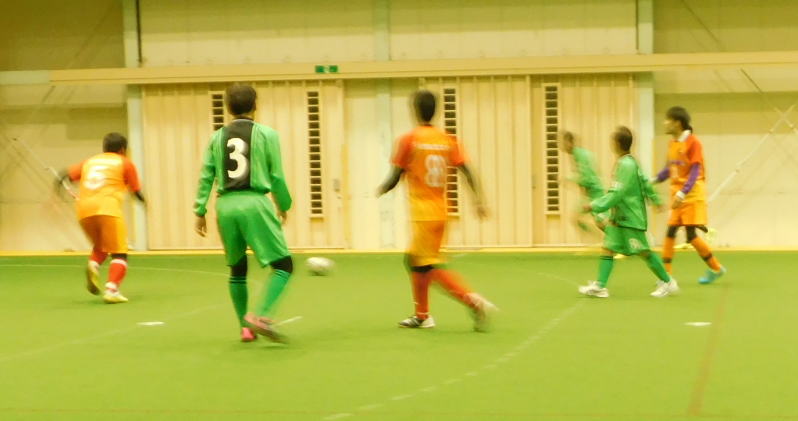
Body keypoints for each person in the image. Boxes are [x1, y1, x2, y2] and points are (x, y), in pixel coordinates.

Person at [377, 89, 496, 331]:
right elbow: (467, 171)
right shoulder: (448, 140)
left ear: (415, 110)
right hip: (441, 211)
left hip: (423, 214)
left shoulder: (409, 139)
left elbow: (395, 175)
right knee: (414, 260)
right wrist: (479, 200)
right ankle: (422, 316)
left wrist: (381, 189)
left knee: (427, 266)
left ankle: (473, 301)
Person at [194, 84, 293, 343]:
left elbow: (206, 175)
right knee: (283, 266)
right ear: (255, 105)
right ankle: (262, 316)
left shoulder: (217, 137)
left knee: (237, 268)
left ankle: (245, 329)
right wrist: (284, 204)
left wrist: (200, 210)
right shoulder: (267, 135)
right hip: (254, 202)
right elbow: (276, 175)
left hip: (225, 206)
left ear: (228, 107)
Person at [578, 127, 679, 298]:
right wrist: (655, 200)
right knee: (608, 248)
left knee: (644, 252)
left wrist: (594, 205)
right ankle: (600, 286)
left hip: (630, 218)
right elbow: (645, 182)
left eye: (612, 140)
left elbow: (617, 193)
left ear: (617, 143)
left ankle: (668, 282)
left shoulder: (626, 165)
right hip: (619, 218)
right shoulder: (631, 162)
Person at [61, 132, 145, 304]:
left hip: (83, 211)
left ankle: (93, 265)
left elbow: (64, 176)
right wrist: (145, 203)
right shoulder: (125, 162)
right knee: (120, 253)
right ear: (123, 150)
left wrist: (56, 195)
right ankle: (112, 290)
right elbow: (136, 191)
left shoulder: (90, 161)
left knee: (101, 246)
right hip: (108, 209)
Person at [653, 106, 726, 284]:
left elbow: (695, 171)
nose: (664, 123)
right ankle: (666, 276)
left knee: (690, 236)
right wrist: (654, 179)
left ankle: (716, 268)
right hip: (678, 196)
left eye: (667, 120)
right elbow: (670, 170)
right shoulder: (672, 143)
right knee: (671, 231)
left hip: (691, 195)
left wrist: (683, 192)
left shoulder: (694, 143)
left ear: (677, 123)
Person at [559, 130, 608, 232]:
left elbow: (586, 178)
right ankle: (602, 237)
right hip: (588, 195)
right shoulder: (575, 155)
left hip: (595, 194)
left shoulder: (580, 155)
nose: (560, 145)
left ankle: (611, 238)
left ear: (569, 142)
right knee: (577, 219)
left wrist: (567, 179)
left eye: (562, 142)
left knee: (601, 223)